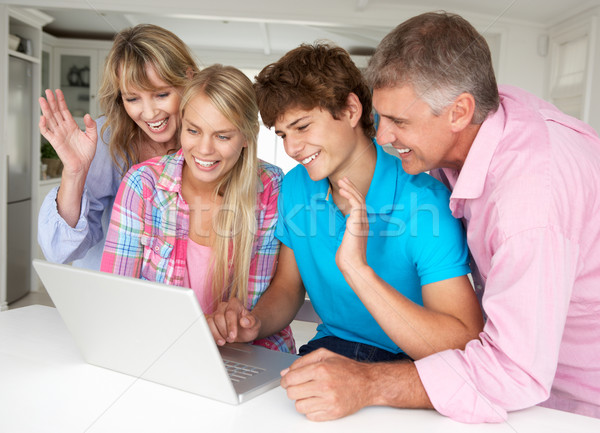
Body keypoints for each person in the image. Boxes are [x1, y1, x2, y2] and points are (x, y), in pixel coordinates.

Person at [278, 12, 600, 423]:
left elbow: (514, 370)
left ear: (459, 112)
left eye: (399, 122)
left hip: (575, 408)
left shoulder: (530, 202)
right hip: (522, 388)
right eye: (381, 117)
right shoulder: (494, 113)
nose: (383, 138)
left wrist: (369, 383)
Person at [207, 43, 483, 400]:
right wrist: (254, 323)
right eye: (282, 134)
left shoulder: (423, 200)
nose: (291, 147)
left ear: (351, 110)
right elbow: (289, 288)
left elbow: (461, 343)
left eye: (302, 126)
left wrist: (356, 268)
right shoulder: (295, 187)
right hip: (334, 348)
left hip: (413, 366)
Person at [100, 64, 294, 352]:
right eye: (193, 130)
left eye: (223, 136)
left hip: (252, 353)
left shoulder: (272, 188)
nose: (204, 150)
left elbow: (284, 289)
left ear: (247, 137)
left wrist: (250, 323)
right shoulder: (143, 185)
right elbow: (114, 295)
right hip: (162, 349)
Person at [38, 24, 199, 270]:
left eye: (161, 94)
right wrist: (75, 172)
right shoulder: (106, 137)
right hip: (108, 292)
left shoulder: (205, 140)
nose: (149, 113)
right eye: (133, 98)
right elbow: (60, 251)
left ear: (188, 79)